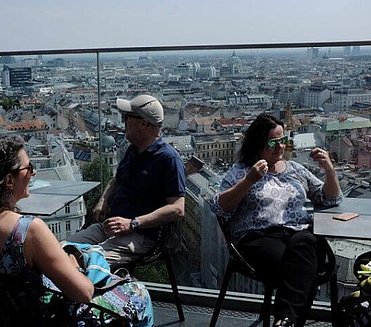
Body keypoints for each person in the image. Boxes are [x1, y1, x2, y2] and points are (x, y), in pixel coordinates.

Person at [0, 134, 153, 326]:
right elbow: (84, 293)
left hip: (13, 317)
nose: (33, 172)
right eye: (29, 167)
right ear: (9, 180)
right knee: (139, 294)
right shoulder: (27, 230)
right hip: (56, 317)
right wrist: (74, 264)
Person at [210, 113, 343, 327]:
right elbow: (218, 206)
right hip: (259, 236)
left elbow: (330, 197)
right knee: (300, 268)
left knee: (306, 244)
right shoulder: (242, 172)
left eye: (283, 140)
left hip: (298, 235)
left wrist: (329, 170)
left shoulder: (296, 170)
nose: (280, 147)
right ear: (258, 144)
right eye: (273, 142)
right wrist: (249, 181)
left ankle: (284, 321)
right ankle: (287, 320)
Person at [67, 94, 186, 265]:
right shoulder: (133, 150)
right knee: (60, 250)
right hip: (111, 225)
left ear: (144, 123)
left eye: (127, 117)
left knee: (83, 261)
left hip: (141, 235)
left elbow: (178, 209)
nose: (123, 122)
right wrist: (103, 200)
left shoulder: (168, 158)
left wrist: (133, 224)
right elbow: (116, 179)